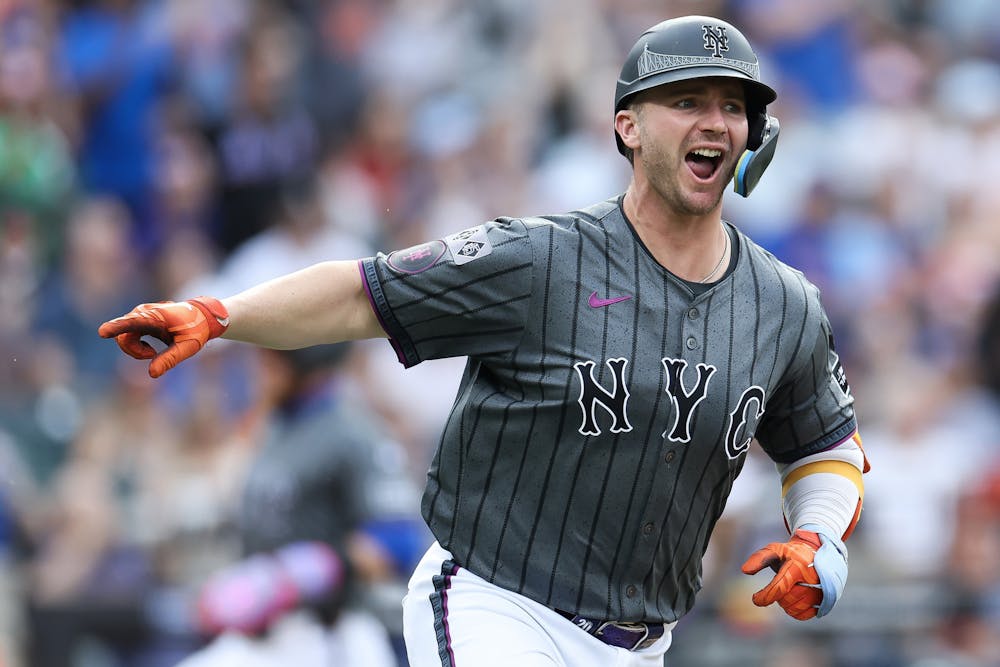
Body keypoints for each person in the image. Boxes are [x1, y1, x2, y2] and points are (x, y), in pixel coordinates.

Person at [99, 15, 870, 667]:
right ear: (627, 126)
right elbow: (362, 293)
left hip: (641, 643)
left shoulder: (785, 304)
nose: (715, 122)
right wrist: (220, 314)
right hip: (497, 603)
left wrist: (818, 537)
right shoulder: (541, 259)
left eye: (734, 106)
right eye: (687, 100)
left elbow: (825, 448)